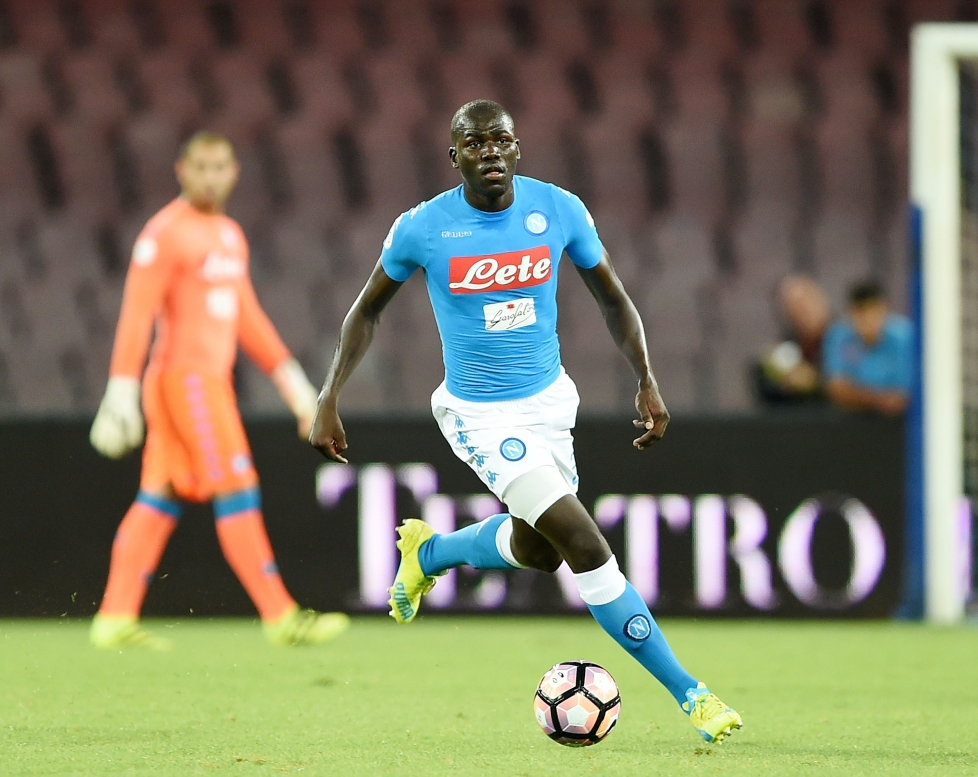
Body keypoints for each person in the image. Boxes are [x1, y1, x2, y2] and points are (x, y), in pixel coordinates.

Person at [309, 100, 742, 743]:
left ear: (517, 148)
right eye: (474, 143)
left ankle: (428, 552)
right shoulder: (423, 228)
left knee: (540, 551)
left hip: (548, 405)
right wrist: (328, 394)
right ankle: (693, 696)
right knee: (586, 547)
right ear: (454, 156)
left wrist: (646, 376)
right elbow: (366, 311)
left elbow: (614, 298)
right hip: (480, 415)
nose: (490, 151)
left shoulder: (559, 209)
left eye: (501, 140)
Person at [88, 132, 348, 650]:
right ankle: (280, 616)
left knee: (158, 495)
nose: (211, 176)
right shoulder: (164, 234)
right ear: (181, 170)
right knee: (237, 487)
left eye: (221, 166)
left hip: (203, 382)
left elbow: (245, 316)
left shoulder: (228, 235)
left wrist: (295, 386)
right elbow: (138, 312)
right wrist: (118, 389)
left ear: (235, 172)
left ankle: (114, 617)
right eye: (201, 167)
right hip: (186, 382)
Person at [823, 279, 913, 415]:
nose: (868, 317)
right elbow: (837, 389)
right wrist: (880, 401)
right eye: (861, 311)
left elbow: (906, 394)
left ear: (884, 308)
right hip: (854, 422)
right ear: (850, 312)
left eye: (873, 309)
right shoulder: (839, 337)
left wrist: (858, 394)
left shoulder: (905, 336)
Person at [755, 274, 831, 405]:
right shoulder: (783, 349)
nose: (803, 311)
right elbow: (765, 386)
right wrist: (786, 381)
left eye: (807, 302)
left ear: (822, 301)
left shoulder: (847, 338)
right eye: (795, 307)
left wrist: (815, 381)